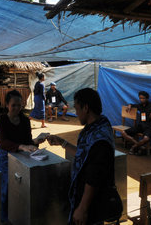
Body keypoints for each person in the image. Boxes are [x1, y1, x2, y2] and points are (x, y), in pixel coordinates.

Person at [47, 88, 116, 225]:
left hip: (92, 204)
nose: (76, 113)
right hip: (84, 199)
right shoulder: (97, 126)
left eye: (77, 109)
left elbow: (94, 177)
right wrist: (62, 142)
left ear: (86, 108)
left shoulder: (100, 139)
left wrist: (82, 208)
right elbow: (84, 155)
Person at [0, 89, 47, 224]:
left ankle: (21, 216)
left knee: (23, 187)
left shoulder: (25, 120)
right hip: (5, 157)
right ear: (7, 105)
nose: (17, 108)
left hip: (22, 156)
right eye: (14, 105)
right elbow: (3, 141)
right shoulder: (1, 120)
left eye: (19, 105)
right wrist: (22, 147)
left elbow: (28, 140)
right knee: (6, 189)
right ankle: (4, 218)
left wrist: (36, 141)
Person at [120, 91, 151, 155]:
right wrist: (129, 105)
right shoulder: (140, 105)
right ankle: (139, 146)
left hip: (150, 127)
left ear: (147, 98)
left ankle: (134, 147)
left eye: (143, 98)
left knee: (146, 138)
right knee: (123, 133)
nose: (141, 100)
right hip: (141, 126)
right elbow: (133, 105)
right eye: (140, 98)